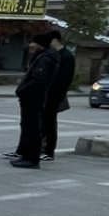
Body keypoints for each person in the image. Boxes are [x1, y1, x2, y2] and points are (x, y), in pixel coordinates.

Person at [6, 32, 60, 169]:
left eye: (33, 42)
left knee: (32, 128)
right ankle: (26, 155)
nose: (30, 45)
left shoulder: (45, 59)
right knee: (28, 127)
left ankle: (31, 158)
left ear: (39, 44)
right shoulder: (43, 56)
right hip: (31, 97)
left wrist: (23, 89)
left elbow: (38, 80)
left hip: (33, 98)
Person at [40, 30, 75, 161]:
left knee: (50, 123)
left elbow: (65, 79)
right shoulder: (53, 54)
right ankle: (41, 148)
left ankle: (49, 151)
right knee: (43, 122)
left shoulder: (66, 56)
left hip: (55, 95)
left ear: (55, 40)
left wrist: (58, 96)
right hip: (47, 93)